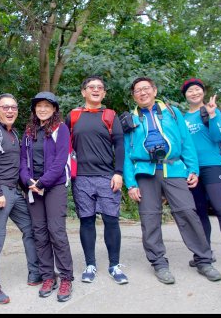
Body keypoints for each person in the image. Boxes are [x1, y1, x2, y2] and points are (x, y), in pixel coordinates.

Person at [123, 76, 221, 285]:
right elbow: (125, 153)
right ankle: (159, 263)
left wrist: (193, 169)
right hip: (145, 172)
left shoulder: (172, 112)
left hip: (174, 168)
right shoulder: (129, 119)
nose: (143, 93)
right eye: (138, 90)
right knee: (149, 218)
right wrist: (130, 183)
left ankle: (204, 260)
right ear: (133, 96)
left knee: (187, 212)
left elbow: (186, 142)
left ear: (154, 90)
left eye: (146, 88)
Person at [65, 75, 128, 285]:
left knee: (111, 220)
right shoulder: (73, 116)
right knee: (87, 220)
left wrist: (118, 173)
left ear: (104, 93)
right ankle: (90, 264)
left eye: (99, 87)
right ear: (83, 92)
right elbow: (62, 145)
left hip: (107, 177)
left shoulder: (110, 115)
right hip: (81, 178)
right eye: (91, 87)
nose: (95, 90)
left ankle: (114, 265)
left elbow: (119, 145)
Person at [181, 78, 221, 275]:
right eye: (190, 90)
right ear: (185, 95)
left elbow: (217, 137)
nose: (194, 93)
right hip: (192, 170)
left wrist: (212, 115)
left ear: (203, 92)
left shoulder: (212, 111)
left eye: (197, 90)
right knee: (200, 213)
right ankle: (205, 252)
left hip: (212, 166)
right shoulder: (183, 118)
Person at [0, 93, 41, 305]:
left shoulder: (14, 133)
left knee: (30, 228)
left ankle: (36, 272)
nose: (10, 111)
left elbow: (18, 165)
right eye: (5, 107)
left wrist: (29, 187)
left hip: (16, 192)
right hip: (0, 193)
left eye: (13, 107)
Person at [20, 91, 74, 302]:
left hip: (54, 187)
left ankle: (67, 277)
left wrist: (42, 182)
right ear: (34, 109)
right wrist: (28, 181)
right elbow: (23, 160)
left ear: (54, 109)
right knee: (39, 233)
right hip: (33, 188)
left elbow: (61, 160)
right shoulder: (29, 132)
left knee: (56, 231)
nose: (42, 109)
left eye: (47, 106)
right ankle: (48, 276)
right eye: (39, 105)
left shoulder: (61, 129)